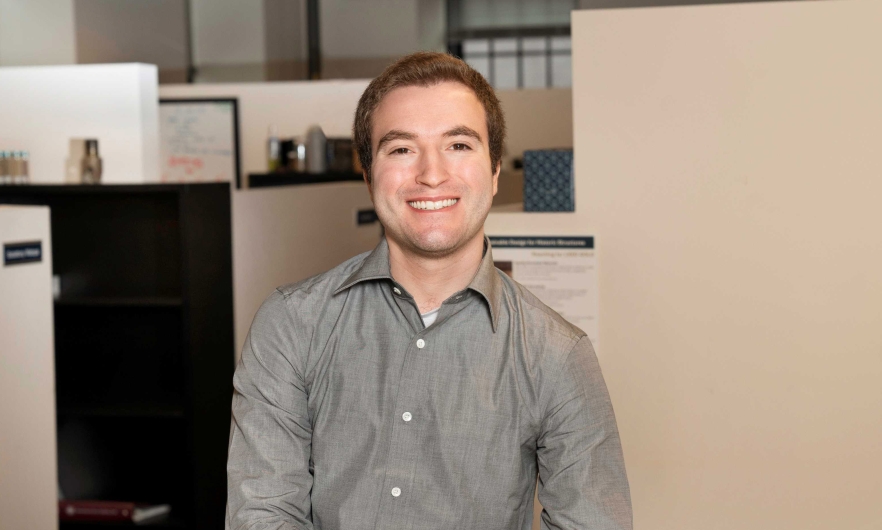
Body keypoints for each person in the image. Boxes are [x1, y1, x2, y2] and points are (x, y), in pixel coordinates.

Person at [226, 52, 632, 530]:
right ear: (368, 173)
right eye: (401, 149)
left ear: (496, 169)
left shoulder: (557, 354)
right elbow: (264, 514)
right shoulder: (291, 325)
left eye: (458, 145)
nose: (432, 173)